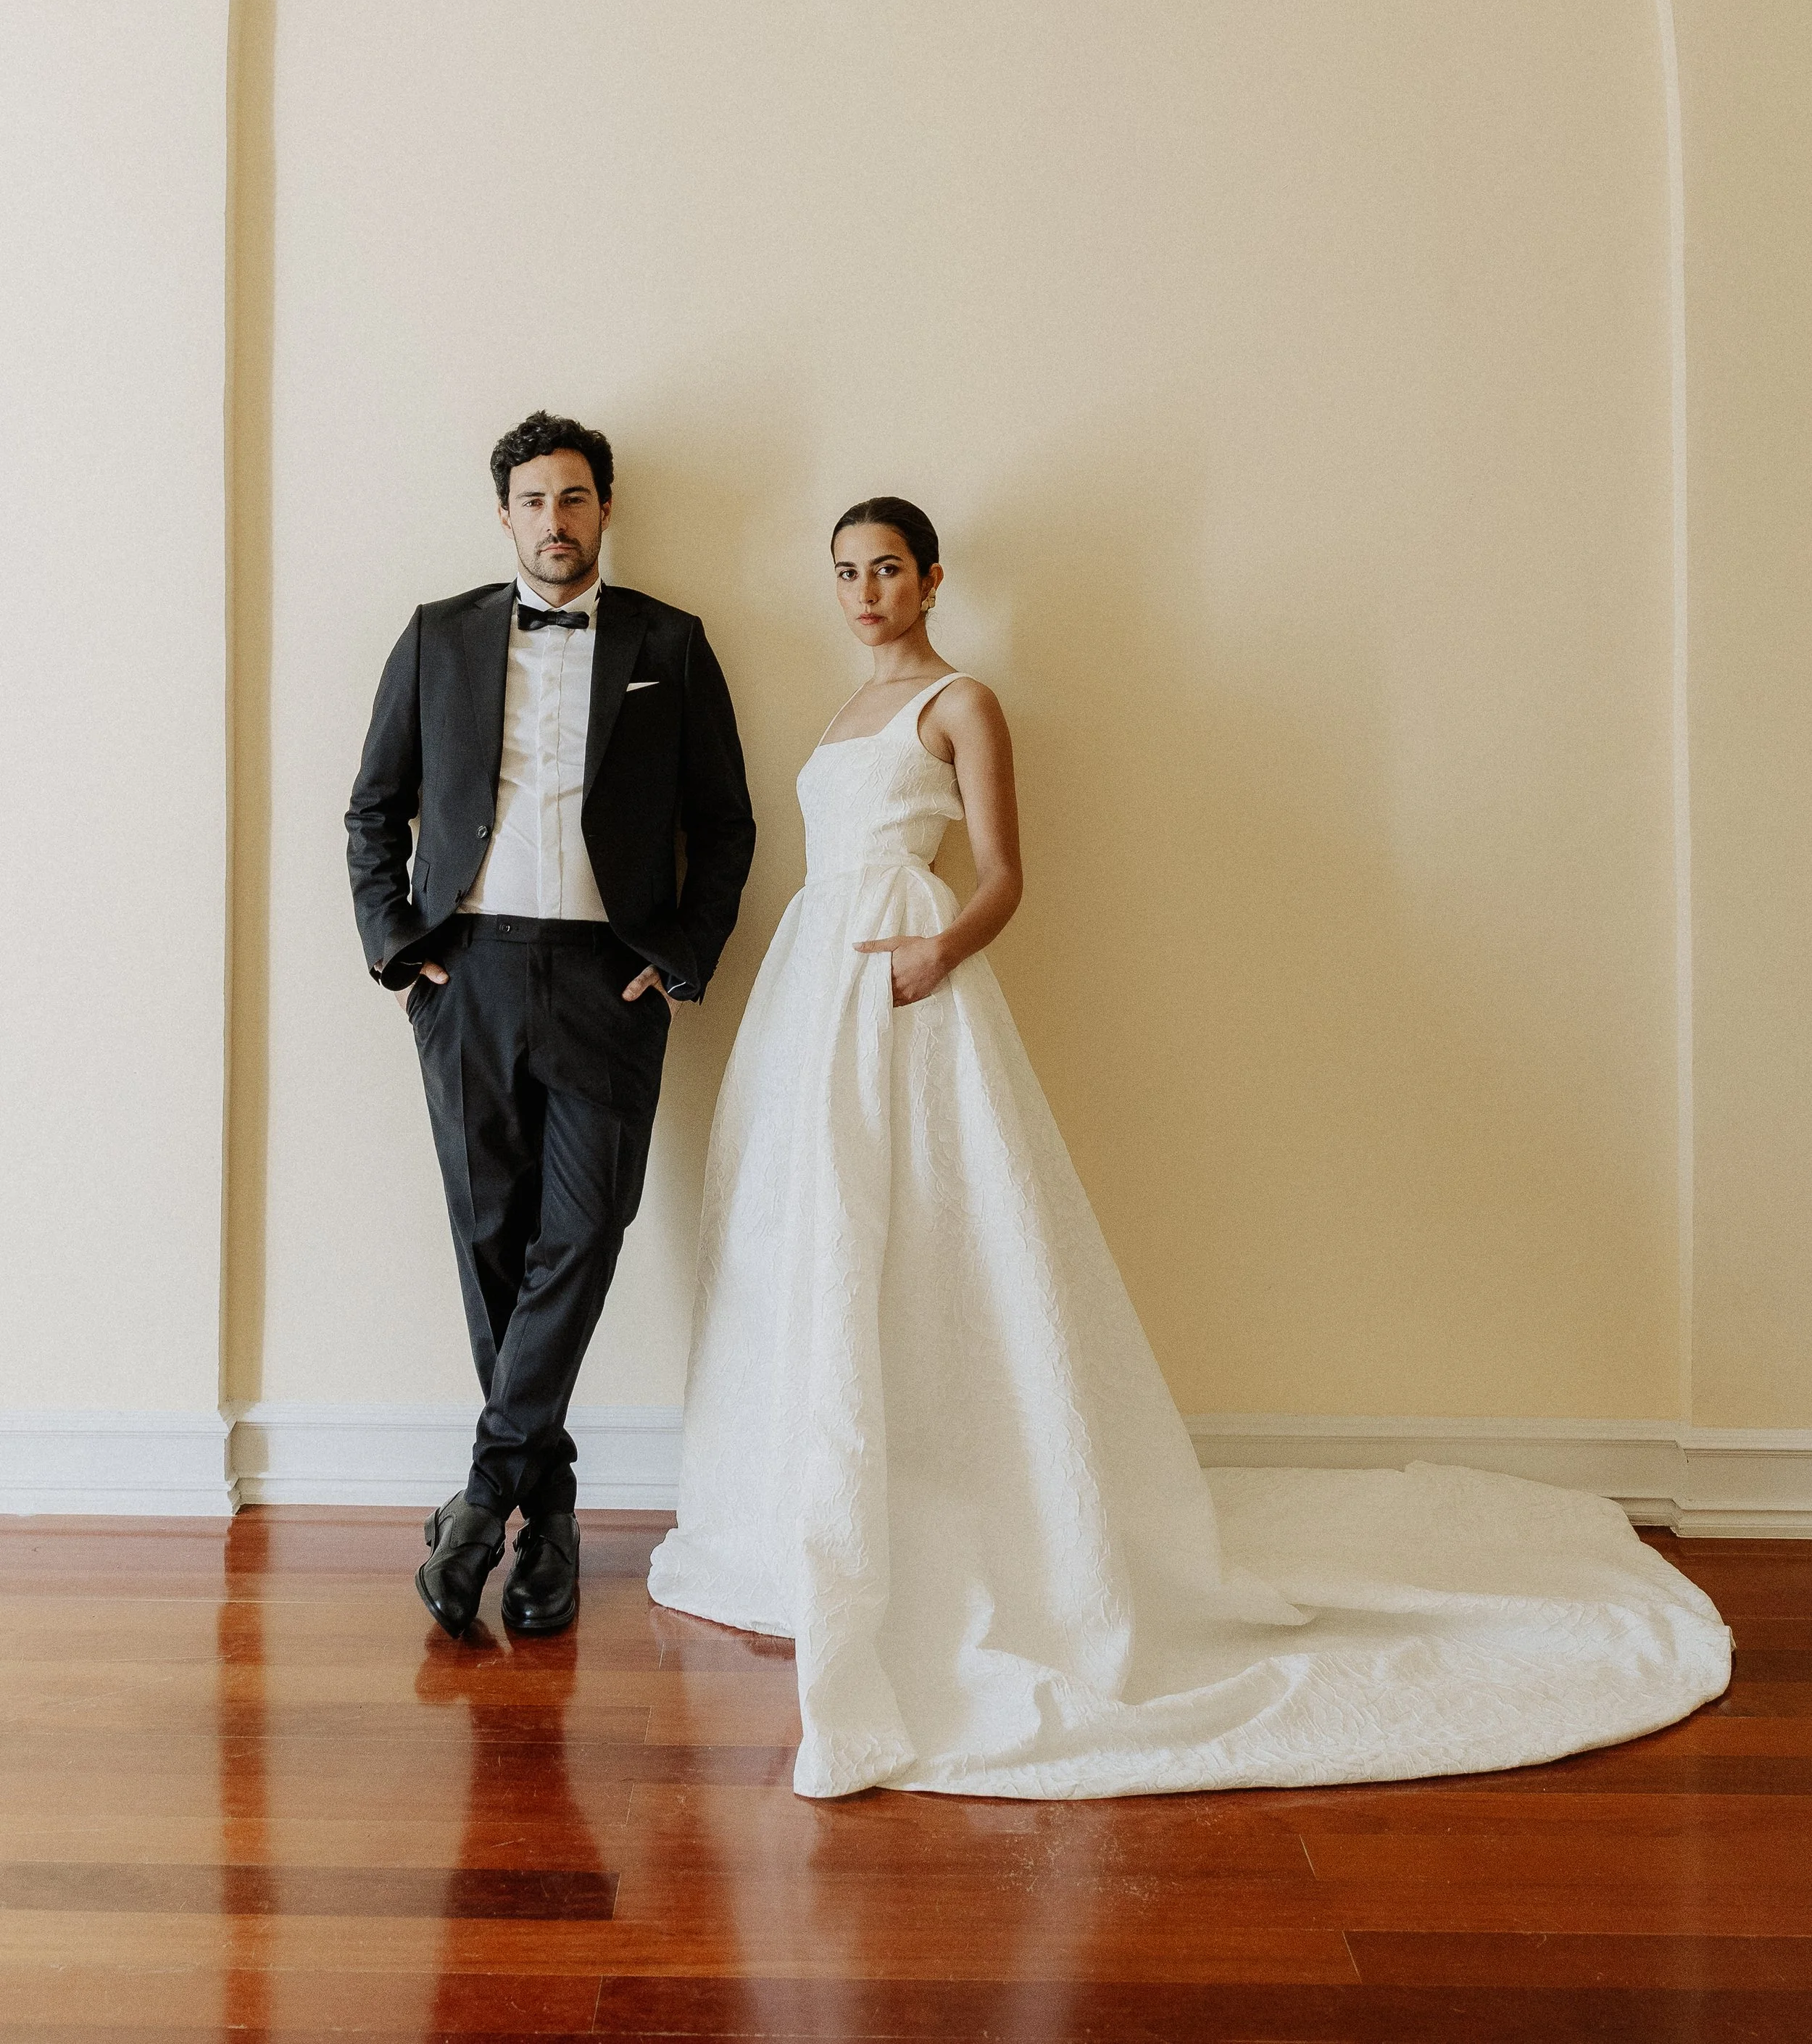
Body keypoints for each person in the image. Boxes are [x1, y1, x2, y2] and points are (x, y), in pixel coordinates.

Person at [649, 499, 1729, 1799]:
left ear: (932, 576)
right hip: (819, 974)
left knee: (930, 1223)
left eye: (887, 568)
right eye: (846, 573)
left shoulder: (962, 701)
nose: (865, 591)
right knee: (815, 1231)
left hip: (907, 978)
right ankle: (818, 1504)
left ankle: (968, 1502)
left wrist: (940, 950)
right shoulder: (835, 718)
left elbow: (1004, 869)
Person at [348, 412, 755, 1640]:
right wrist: (400, 950)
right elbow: (373, 810)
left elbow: (724, 826)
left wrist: (677, 956)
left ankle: (483, 1500)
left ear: (606, 508)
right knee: (490, 1242)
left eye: (576, 499)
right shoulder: (438, 637)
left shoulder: (669, 644)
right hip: (466, 973)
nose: (556, 520)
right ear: (506, 514)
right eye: (535, 500)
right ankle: (553, 1512)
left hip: (606, 981)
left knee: (582, 1233)